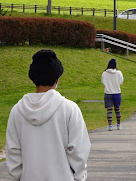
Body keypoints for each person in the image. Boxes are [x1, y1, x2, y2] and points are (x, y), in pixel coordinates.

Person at [6, 49, 91, 181]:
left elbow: (13, 152)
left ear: (33, 80)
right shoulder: (69, 109)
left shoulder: (17, 111)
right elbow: (78, 150)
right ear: (57, 79)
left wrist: (18, 177)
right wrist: (79, 176)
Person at [101, 58, 124, 130]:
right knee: (117, 109)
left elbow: (103, 82)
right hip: (117, 93)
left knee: (109, 110)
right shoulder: (118, 73)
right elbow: (121, 81)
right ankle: (118, 124)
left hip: (108, 93)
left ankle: (110, 125)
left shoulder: (104, 73)